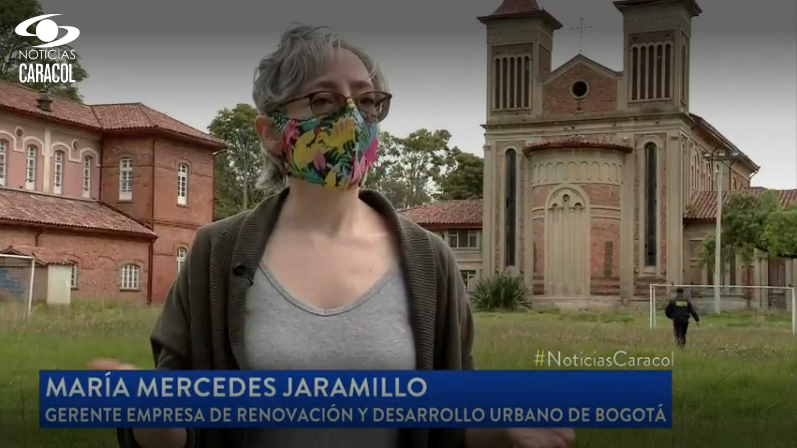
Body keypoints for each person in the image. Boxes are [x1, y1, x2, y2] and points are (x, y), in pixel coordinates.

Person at [90, 25, 575, 448]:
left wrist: (508, 421)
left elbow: (455, 424)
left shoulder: (432, 260)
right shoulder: (215, 253)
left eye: (367, 101)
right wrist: (146, 412)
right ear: (270, 132)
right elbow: (179, 433)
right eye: (323, 100)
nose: (352, 119)